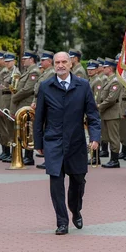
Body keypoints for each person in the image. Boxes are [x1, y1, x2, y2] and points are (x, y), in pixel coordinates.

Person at [33, 51, 101, 235]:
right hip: (53, 141)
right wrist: (38, 142)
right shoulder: (46, 86)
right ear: (54, 65)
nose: (60, 65)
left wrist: (95, 137)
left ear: (71, 64)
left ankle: (75, 209)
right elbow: (39, 118)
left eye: (64, 62)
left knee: (78, 181)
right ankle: (62, 222)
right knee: (56, 182)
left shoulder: (83, 85)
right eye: (57, 62)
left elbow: (93, 115)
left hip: (76, 142)